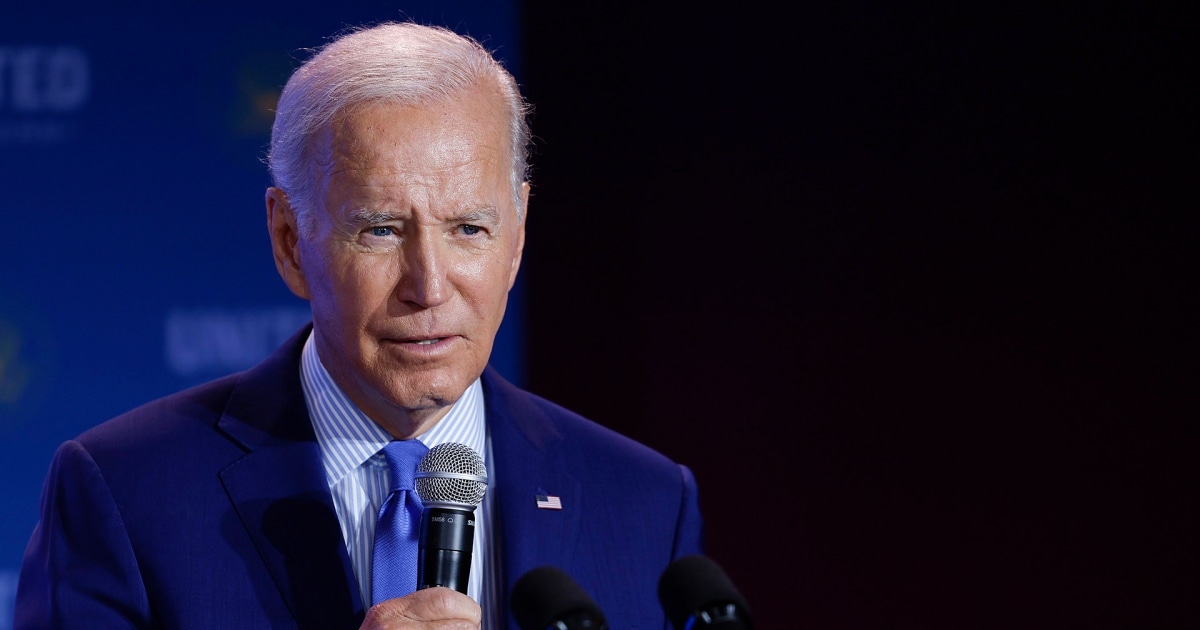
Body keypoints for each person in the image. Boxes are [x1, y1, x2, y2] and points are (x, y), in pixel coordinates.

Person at [14, 21, 703, 630]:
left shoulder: (643, 502)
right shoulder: (126, 491)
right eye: (380, 229)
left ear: (517, 234)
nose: (429, 286)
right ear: (289, 240)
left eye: (469, 228)